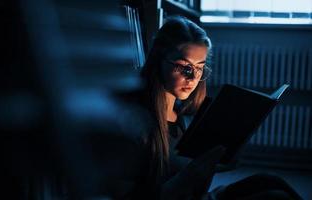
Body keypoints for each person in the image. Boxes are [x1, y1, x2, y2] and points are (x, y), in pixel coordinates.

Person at [118, 16, 302, 200]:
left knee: (269, 181)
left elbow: (184, 170)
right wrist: (185, 180)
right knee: (274, 197)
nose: (192, 78)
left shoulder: (181, 114)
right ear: (159, 60)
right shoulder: (135, 122)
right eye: (183, 66)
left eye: (199, 68)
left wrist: (216, 162)